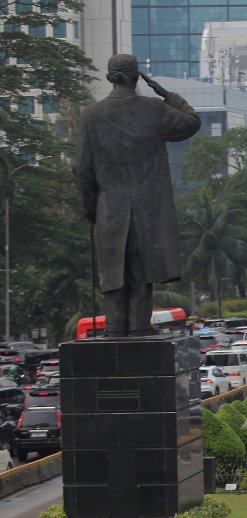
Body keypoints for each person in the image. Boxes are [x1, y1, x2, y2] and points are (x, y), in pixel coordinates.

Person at [75, 55, 200, 336]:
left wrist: (90, 208)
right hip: (148, 209)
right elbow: (191, 121)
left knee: (113, 272)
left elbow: (81, 168)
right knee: (141, 272)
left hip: (108, 208)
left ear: (110, 77)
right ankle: (140, 326)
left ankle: (116, 326)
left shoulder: (91, 115)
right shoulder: (153, 109)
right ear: (136, 77)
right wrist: (167, 94)